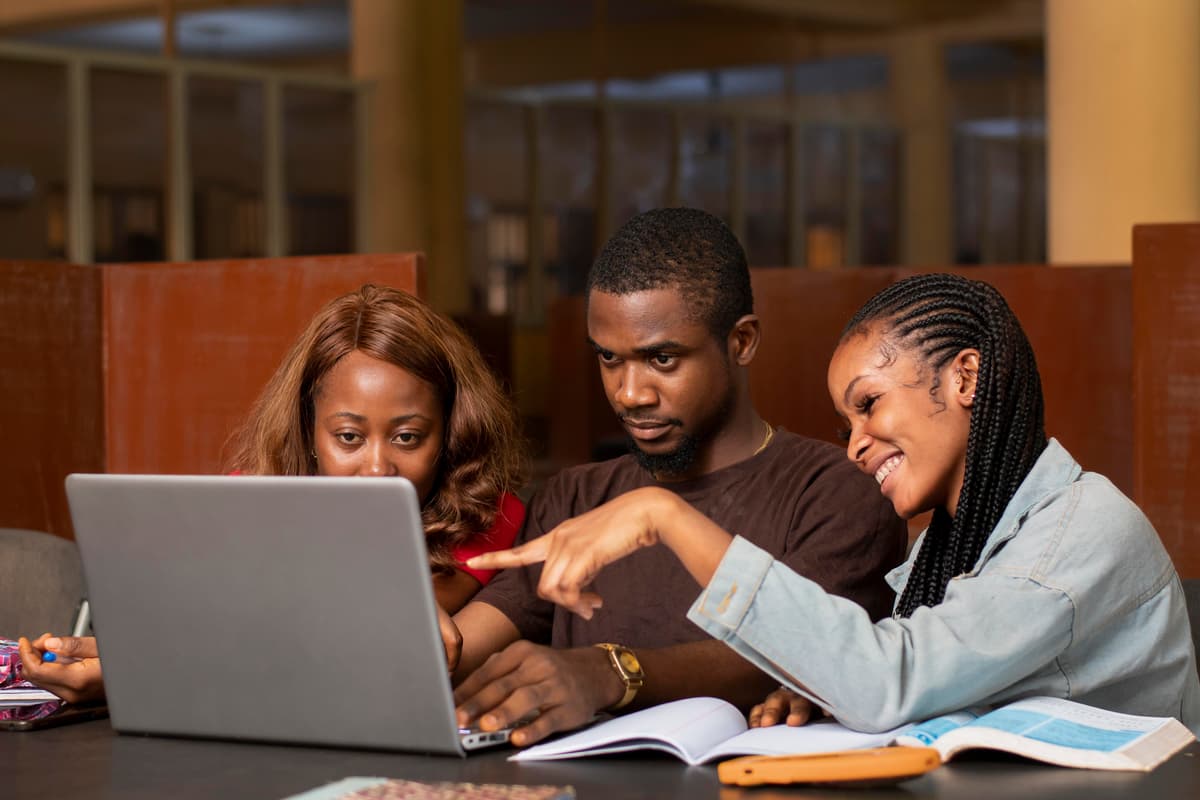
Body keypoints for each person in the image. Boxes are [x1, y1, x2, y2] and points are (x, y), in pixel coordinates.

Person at [470, 271, 1200, 736]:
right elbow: (909, 683)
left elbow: (892, 679)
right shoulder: (950, 546)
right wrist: (824, 694)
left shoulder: (1080, 532)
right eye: (845, 423)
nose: (855, 445)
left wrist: (663, 516)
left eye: (870, 404)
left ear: (965, 378)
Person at [450, 207, 907, 747]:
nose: (629, 393)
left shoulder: (836, 492)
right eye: (609, 359)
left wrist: (607, 674)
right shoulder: (574, 496)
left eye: (662, 359)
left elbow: (804, 650)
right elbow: (462, 645)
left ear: (741, 342)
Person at [20, 284, 527, 703]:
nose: (378, 469)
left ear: (451, 434)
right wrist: (120, 663)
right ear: (309, 431)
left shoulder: (490, 516)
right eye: (348, 437)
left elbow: (356, 640)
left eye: (408, 437)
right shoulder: (248, 499)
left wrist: (137, 669)